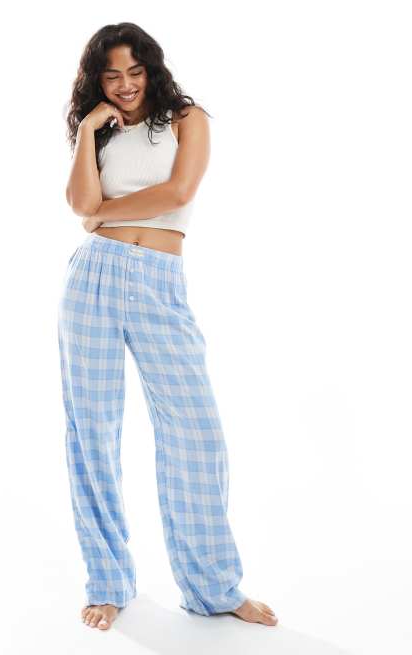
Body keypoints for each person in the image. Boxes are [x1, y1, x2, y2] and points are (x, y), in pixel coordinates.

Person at [59, 22, 278, 631]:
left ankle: (213, 586)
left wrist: (102, 211)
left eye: (135, 71)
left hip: (159, 280)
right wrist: (86, 133)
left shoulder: (187, 119)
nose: (125, 84)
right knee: (92, 432)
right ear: (97, 80)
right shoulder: (100, 131)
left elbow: (179, 190)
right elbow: (78, 204)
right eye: (111, 75)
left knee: (196, 433)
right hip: (92, 280)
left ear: (151, 69)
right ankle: (108, 581)